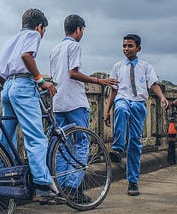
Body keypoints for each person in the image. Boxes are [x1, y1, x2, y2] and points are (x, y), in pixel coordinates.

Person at [49, 14, 118, 202]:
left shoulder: (55, 49)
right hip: (74, 102)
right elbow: (73, 73)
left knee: (61, 146)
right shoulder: (74, 46)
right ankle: (72, 187)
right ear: (78, 29)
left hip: (58, 102)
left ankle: (60, 189)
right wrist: (99, 81)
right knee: (81, 143)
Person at [0, 8, 59, 202]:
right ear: (40, 26)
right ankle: (42, 184)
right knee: (36, 136)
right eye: (43, 30)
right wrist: (41, 81)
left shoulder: (9, 40)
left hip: (8, 87)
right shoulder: (33, 34)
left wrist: (9, 86)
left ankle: (0, 178)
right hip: (23, 85)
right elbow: (26, 56)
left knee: (6, 136)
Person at [104, 34, 169, 196]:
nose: (126, 49)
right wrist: (107, 110)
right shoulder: (118, 67)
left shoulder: (145, 67)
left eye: (130, 46)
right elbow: (113, 90)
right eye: (124, 46)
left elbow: (153, 84)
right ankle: (118, 147)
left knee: (135, 143)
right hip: (122, 100)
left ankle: (133, 181)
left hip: (139, 104)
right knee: (121, 109)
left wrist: (161, 97)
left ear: (138, 48)